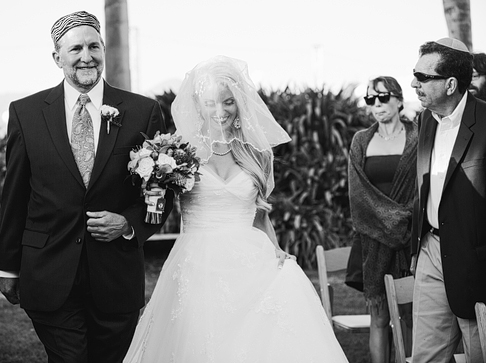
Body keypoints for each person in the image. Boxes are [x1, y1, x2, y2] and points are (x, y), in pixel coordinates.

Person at [122, 55, 348, 362]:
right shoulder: (176, 153)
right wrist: (153, 182)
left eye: (228, 102)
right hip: (198, 263)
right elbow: (156, 208)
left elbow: (261, 214)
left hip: (252, 260)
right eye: (211, 102)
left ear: (239, 103)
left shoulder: (258, 154)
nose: (220, 111)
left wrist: (278, 250)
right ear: (197, 105)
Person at [0, 10, 173, 363]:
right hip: (47, 272)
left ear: (104, 50)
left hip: (116, 277)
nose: (86, 56)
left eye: (94, 46)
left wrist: (128, 225)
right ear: (57, 57)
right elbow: (14, 195)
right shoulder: (26, 113)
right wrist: (8, 267)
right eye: (75, 48)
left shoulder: (143, 111)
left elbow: (160, 192)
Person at [411, 37, 486, 363]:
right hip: (430, 250)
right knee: (426, 356)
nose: (414, 83)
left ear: (451, 83)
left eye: (423, 77)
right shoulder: (425, 120)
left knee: (478, 353)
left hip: (476, 261)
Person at [348, 76, 417, 363]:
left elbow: (422, 186)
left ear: (399, 100)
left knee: (412, 317)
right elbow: (358, 193)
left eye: (383, 97)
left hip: (411, 237)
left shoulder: (418, 135)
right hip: (374, 238)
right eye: (370, 99)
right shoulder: (362, 140)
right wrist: (393, 221)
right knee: (379, 318)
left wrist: (406, 221)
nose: (377, 104)